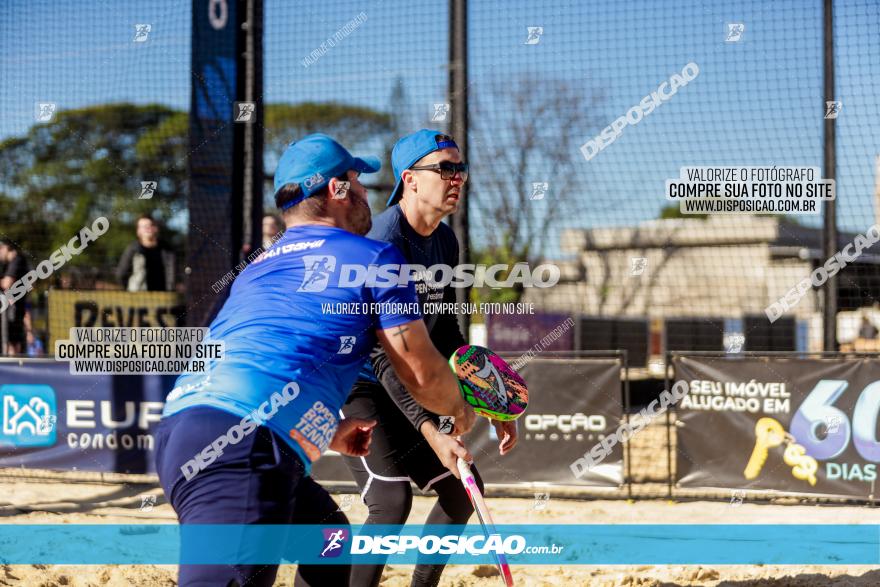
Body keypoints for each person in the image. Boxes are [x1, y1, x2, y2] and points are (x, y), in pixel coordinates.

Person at [154, 134, 476, 587]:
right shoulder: (376, 255)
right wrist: (457, 408)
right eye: (358, 180)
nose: (367, 191)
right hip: (239, 448)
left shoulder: (261, 265)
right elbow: (419, 369)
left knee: (329, 540)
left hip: (185, 432)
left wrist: (321, 423)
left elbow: (268, 355)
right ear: (337, 190)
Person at [342, 129, 518, 587]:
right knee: (390, 503)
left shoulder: (445, 242)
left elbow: (446, 333)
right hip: (363, 385)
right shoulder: (382, 242)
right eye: (445, 168)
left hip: (409, 381)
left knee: (462, 490)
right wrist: (431, 430)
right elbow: (386, 356)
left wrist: (489, 398)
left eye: (460, 168)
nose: (457, 177)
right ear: (410, 179)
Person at [115, 215, 176, 291]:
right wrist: (131, 289)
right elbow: (121, 274)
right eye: (144, 226)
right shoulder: (132, 249)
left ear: (156, 228)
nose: (148, 228)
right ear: (138, 231)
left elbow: (172, 275)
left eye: (151, 225)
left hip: (163, 297)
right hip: (138, 297)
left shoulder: (167, 250)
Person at [0, 238, 30, 355]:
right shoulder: (11, 263)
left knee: (12, 344)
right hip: (13, 309)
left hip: (13, 309)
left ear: (5, 248)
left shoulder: (17, 260)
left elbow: (7, 284)